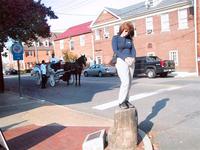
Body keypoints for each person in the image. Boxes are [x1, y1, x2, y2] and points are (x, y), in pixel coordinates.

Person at [112, 21, 136, 109]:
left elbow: (133, 50)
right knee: (125, 82)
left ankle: (126, 100)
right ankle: (121, 101)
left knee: (129, 83)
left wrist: (133, 58)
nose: (127, 33)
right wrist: (125, 58)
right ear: (122, 29)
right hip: (121, 61)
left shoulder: (129, 39)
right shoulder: (115, 38)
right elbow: (116, 50)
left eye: (129, 31)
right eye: (126, 31)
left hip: (131, 62)